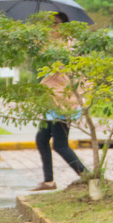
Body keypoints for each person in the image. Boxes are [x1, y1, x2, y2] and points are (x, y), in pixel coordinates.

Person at [33, 12, 88, 191]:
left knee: (60, 144)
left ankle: (88, 176)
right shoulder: (54, 44)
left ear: (64, 26)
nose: (52, 28)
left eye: (55, 24)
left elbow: (61, 71)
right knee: (42, 139)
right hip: (53, 100)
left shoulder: (67, 46)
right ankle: (49, 181)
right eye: (50, 24)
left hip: (64, 101)